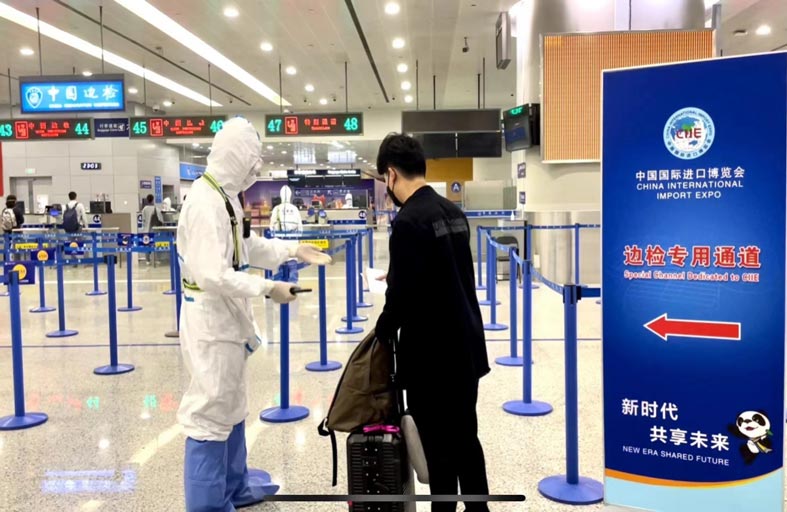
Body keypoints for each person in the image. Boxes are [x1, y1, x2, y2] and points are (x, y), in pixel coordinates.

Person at [177, 117, 331, 512]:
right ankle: (207, 505)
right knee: (210, 408)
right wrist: (267, 287)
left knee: (232, 400)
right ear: (234, 156)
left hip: (227, 317)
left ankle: (234, 486)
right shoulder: (204, 203)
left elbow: (247, 247)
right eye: (251, 160)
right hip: (210, 319)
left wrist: (292, 250)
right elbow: (212, 275)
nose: (255, 169)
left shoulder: (225, 197)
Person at [374, 134, 491, 512]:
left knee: (438, 447)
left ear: (391, 174)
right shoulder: (453, 211)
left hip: (433, 357)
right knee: (466, 437)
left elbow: (401, 298)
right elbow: (447, 273)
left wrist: (382, 331)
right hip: (466, 347)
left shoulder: (408, 221)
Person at [141, 194, 163, 264]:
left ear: (147, 200)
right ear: (153, 200)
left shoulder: (144, 209)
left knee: (147, 245)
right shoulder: (156, 209)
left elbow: (143, 219)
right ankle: (156, 259)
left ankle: (147, 260)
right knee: (155, 244)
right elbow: (161, 220)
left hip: (146, 230)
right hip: (154, 230)